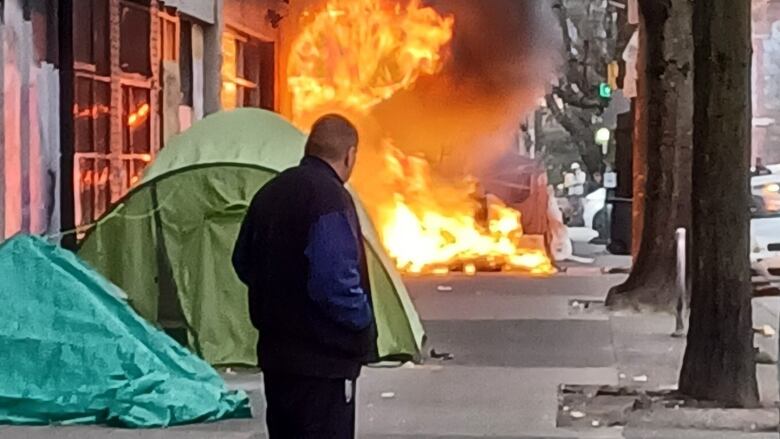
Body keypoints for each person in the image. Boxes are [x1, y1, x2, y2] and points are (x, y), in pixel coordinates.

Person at [232, 114, 377, 438]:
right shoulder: (329, 197)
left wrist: (276, 296)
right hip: (324, 365)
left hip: (278, 358)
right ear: (350, 154)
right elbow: (333, 280)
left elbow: (242, 260)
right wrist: (362, 321)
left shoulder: (271, 191)